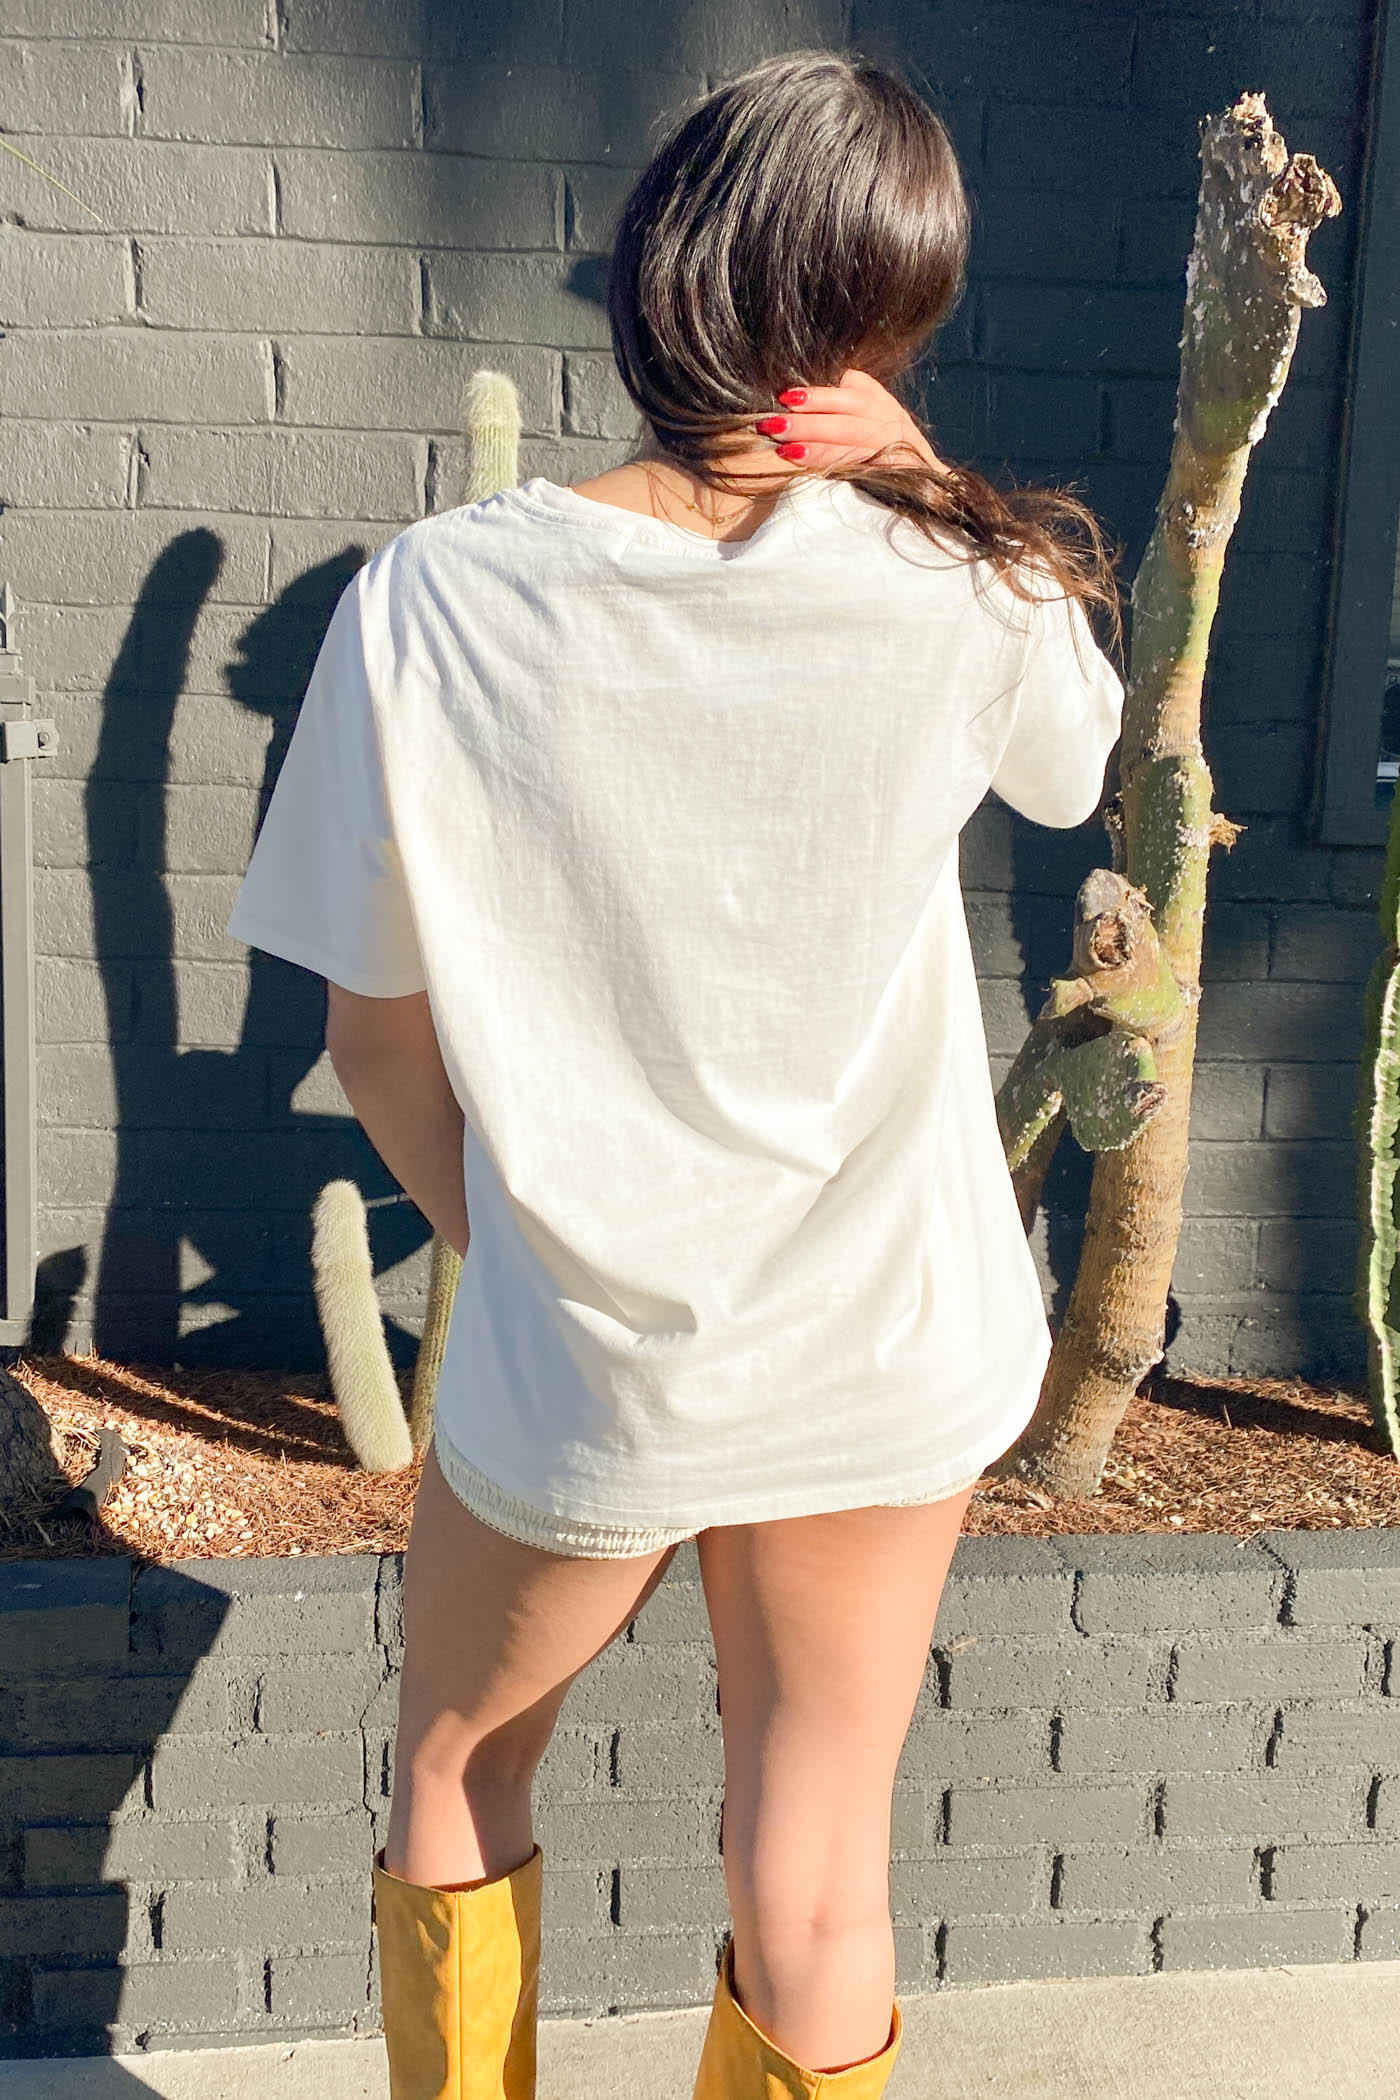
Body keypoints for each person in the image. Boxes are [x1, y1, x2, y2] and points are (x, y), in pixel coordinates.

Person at [225, 48, 1126, 2100]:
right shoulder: (956, 580)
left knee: (458, 1764)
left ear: (662, 275)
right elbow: (1075, 761)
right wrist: (917, 475)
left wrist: (518, 1248)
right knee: (814, 1870)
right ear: (891, 313)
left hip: (593, 1355)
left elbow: (374, 1034)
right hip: (884, 1331)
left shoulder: (435, 601)